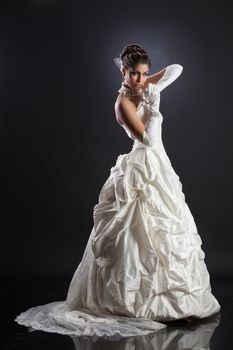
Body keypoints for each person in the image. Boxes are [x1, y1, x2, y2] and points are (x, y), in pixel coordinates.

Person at [15, 44, 221, 338]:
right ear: (122, 71)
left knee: (167, 230)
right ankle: (139, 306)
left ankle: (175, 304)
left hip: (159, 166)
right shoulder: (123, 102)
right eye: (134, 73)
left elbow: (177, 69)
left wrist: (150, 84)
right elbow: (148, 139)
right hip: (142, 163)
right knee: (137, 235)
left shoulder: (142, 86)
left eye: (144, 73)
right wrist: (154, 104)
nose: (139, 79)